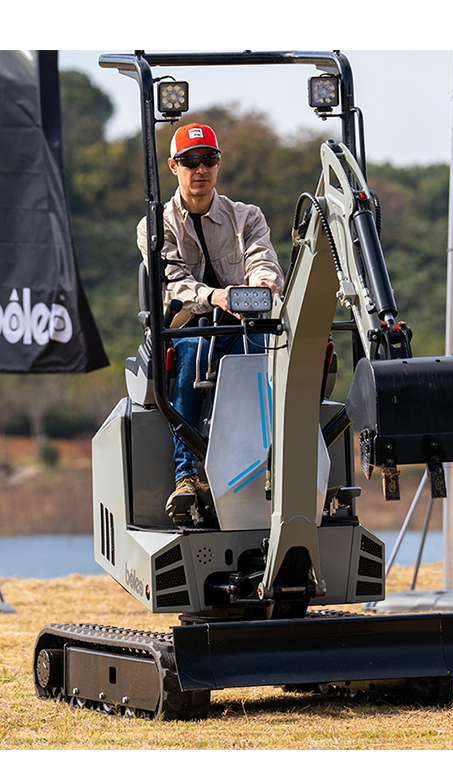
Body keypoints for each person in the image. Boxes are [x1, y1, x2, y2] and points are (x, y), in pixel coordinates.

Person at [137, 123, 284, 525]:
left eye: (209, 160)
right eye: (190, 161)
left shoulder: (247, 216)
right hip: (187, 324)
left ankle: (270, 466)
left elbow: (262, 258)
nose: (200, 169)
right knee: (189, 360)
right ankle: (186, 478)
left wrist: (263, 284)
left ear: (218, 164)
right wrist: (217, 297)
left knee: (265, 360)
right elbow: (174, 282)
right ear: (173, 166)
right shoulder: (156, 224)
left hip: (244, 326)